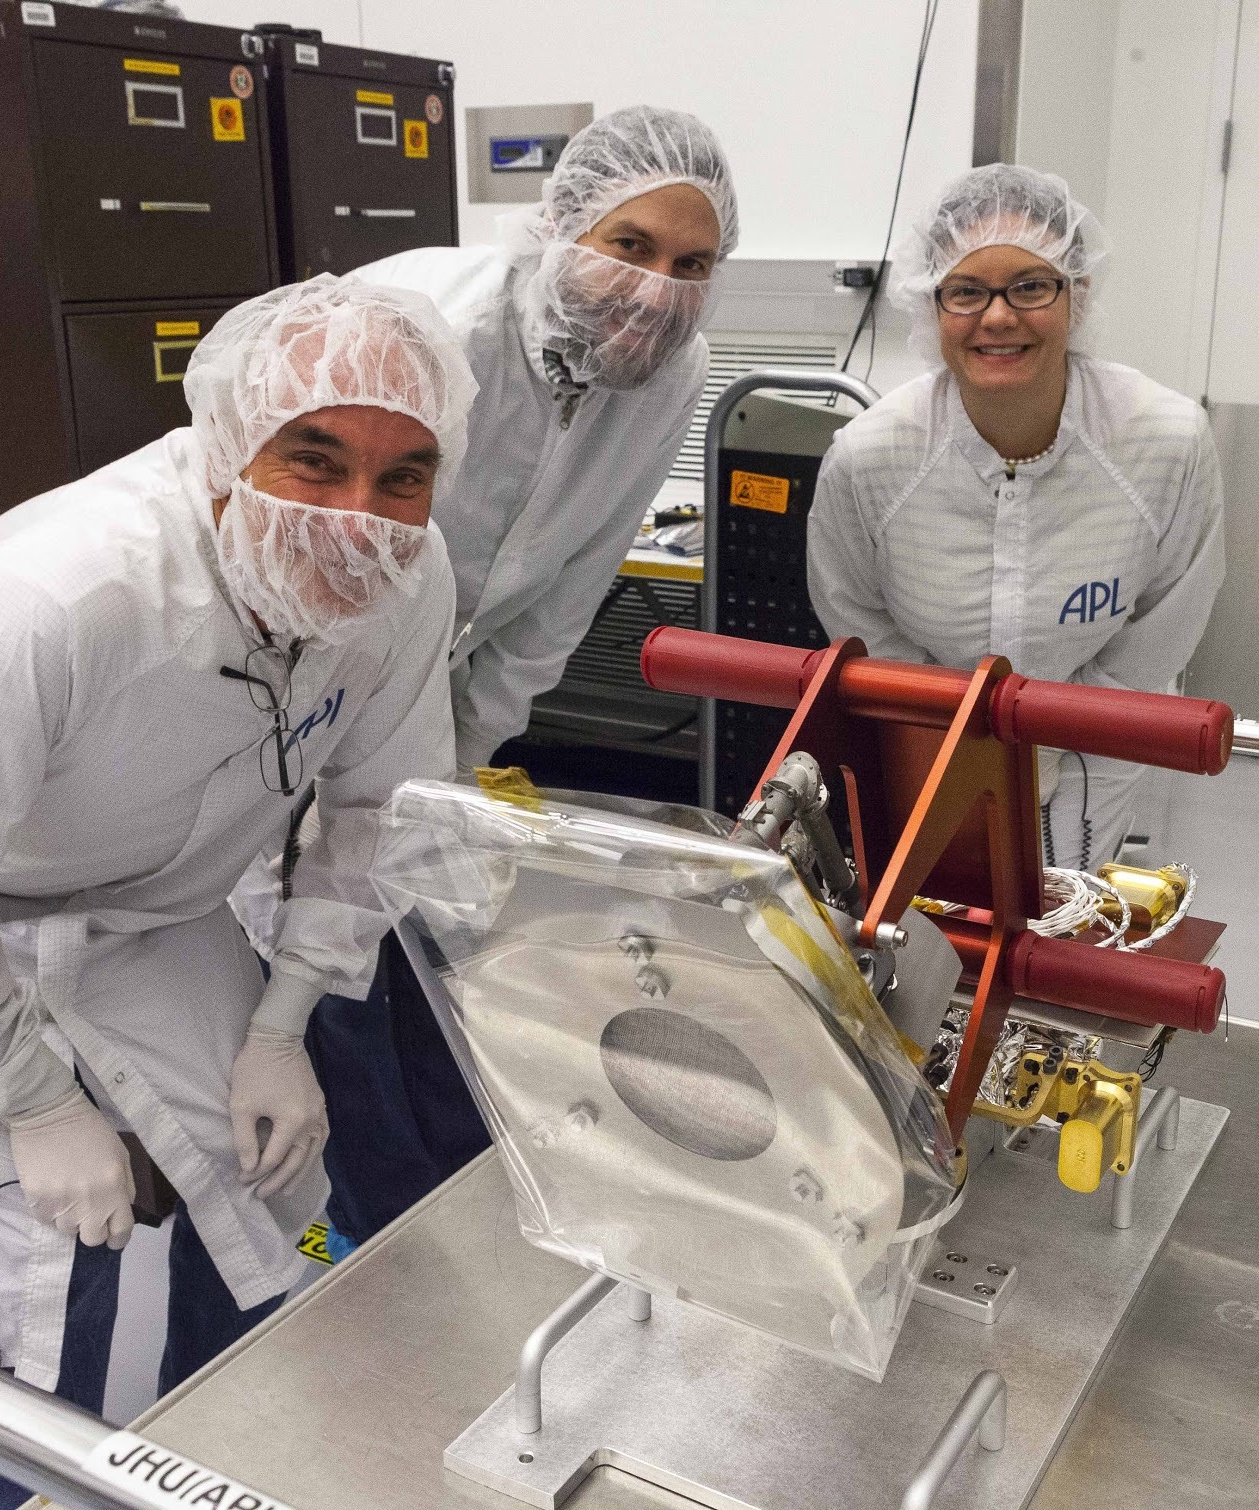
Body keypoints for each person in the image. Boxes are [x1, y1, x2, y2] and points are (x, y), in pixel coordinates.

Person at [0, 276, 474, 1510]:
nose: (360, 518)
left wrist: (285, 1020)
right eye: (314, 459)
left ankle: (213, 1453)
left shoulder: (403, 577)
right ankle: (15, 1481)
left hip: (143, 882)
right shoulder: (56, 598)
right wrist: (36, 1099)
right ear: (224, 448)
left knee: (269, 1166)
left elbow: (376, 813)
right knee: (42, 1248)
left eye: (403, 475)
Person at [236, 105, 740, 1250]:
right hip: (297, 680)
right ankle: (367, 1255)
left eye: (692, 264)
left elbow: (564, 594)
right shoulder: (424, 330)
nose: (658, 290)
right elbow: (304, 553)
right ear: (559, 222)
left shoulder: (673, 373)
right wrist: (318, 782)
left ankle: (453, 1223)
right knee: (318, 988)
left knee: (436, 970)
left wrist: (450, 773)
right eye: (631, 246)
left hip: (438, 696)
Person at [806, 164, 1226, 867]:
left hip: (1100, 745)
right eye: (966, 291)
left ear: (1076, 293)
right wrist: (963, 726)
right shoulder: (870, 458)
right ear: (931, 305)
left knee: (1070, 918)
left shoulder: (1164, 441)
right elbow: (857, 615)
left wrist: (1056, 728)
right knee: (938, 918)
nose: (998, 317)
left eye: (1030, 287)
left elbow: (1166, 622)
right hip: (929, 737)